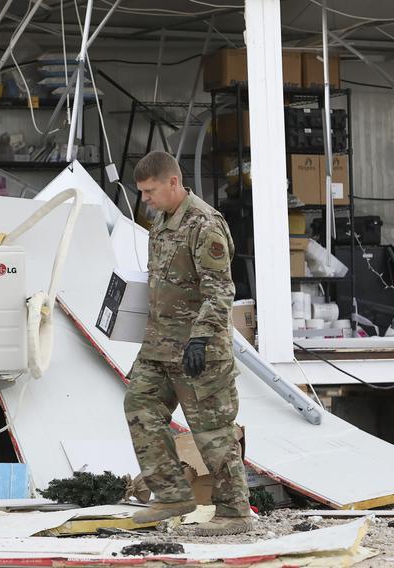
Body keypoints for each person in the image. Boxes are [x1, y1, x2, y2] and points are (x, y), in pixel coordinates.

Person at [124, 151, 253, 537]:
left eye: (150, 191)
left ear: (173, 183)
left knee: (212, 430)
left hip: (200, 351)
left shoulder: (204, 224)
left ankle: (234, 512)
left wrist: (200, 338)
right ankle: (171, 494)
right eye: (142, 192)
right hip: (159, 346)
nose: (145, 199)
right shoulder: (161, 223)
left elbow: (220, 291)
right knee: (140, 406)